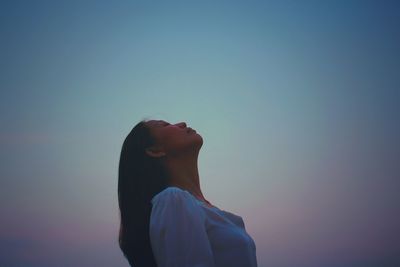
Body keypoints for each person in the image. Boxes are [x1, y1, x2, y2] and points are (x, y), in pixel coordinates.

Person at [118, 118, 258, 267]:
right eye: (165, 125)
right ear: (155, 150)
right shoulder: (172, 201)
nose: (182, 123)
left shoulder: (203, 209)